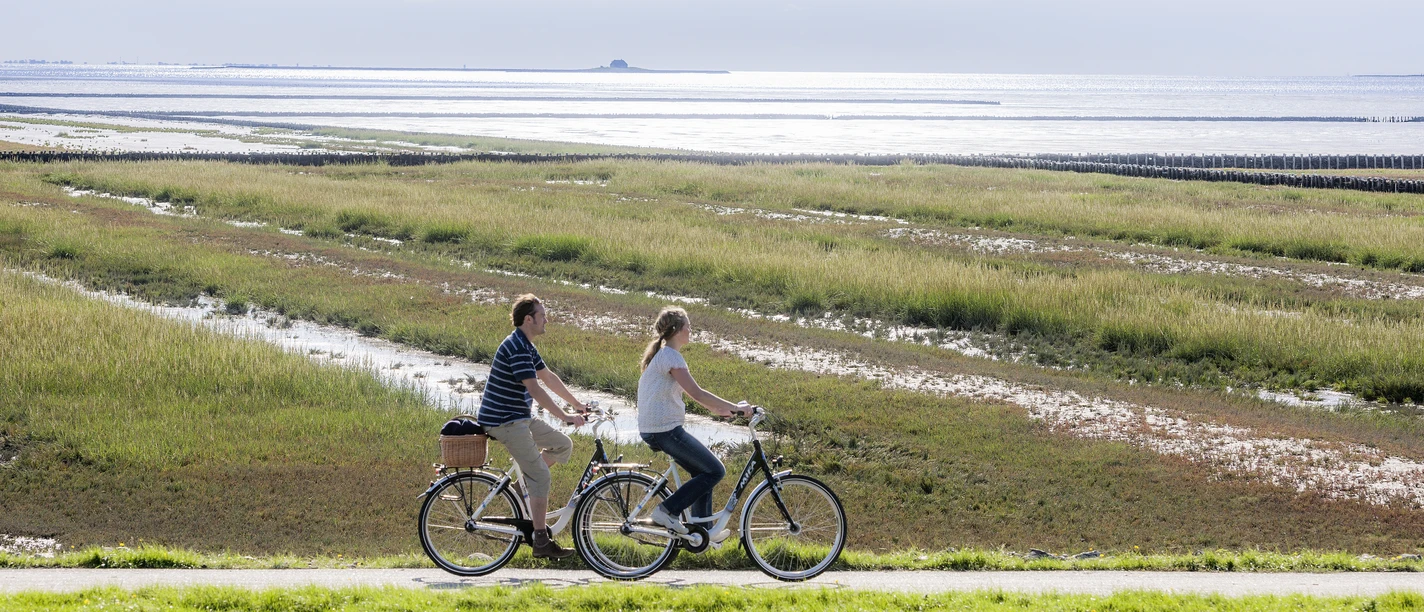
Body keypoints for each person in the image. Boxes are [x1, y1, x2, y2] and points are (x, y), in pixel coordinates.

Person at [477, 294, 587, 559]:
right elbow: (535, 389)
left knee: (563, 445)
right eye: (543, 315)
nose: (547, 320)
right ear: (529, 319)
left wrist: (577, 404)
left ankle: (519, 491)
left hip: (518, 417)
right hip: (504, 421)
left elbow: (548, 377)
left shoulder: (525, 344)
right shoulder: (516, 347)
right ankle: (540, 540)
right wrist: (565, 416)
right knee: (541, 475)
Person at [637, 306, 748, 542]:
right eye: (688, 325)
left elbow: (694, 396)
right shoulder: (671, 356)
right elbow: (697, 393)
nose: (691, 329)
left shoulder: (663, 355)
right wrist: (737, 408)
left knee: (702, 472)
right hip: (665, 430)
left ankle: (703, 533)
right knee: (716, 470)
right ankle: (666, 511)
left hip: (658, 428)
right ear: (677, 330)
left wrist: (722, 409)